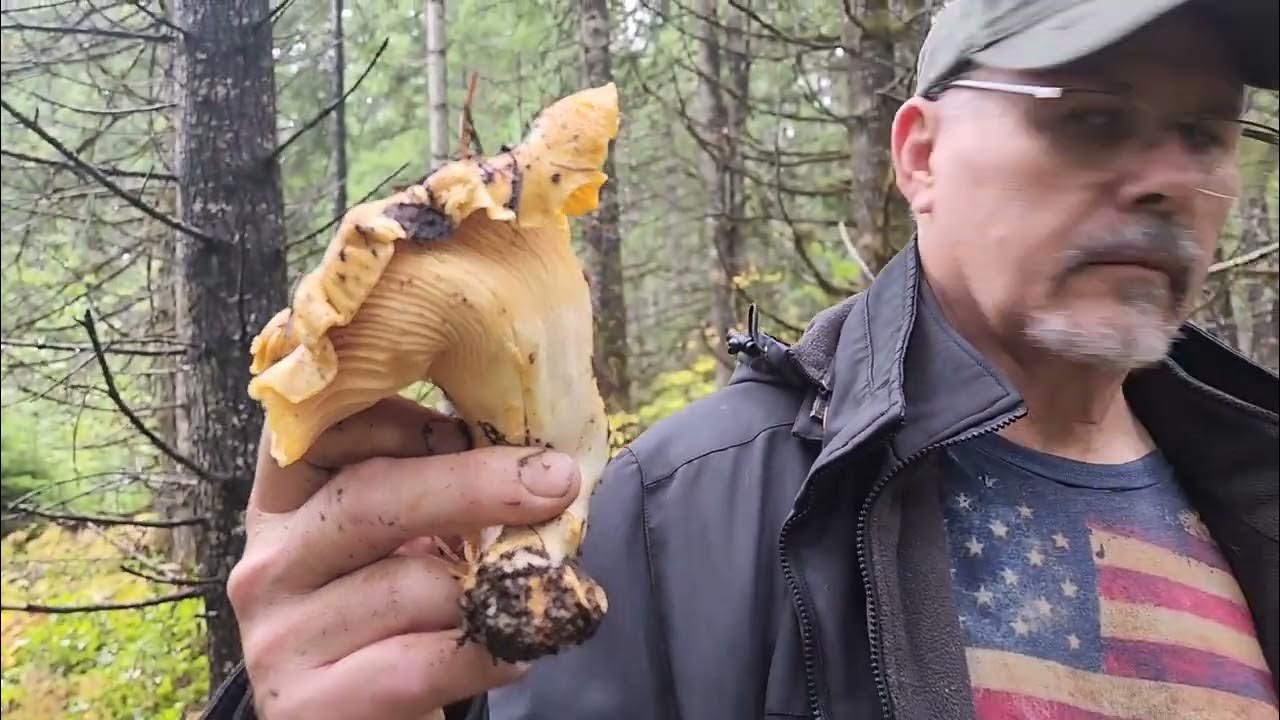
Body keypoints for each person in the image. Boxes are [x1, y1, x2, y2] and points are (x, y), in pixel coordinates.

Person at [203, 0, 1280, 717]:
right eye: (1091, 119)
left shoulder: (1253, 490)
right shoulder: (682, 512)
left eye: (1203, 134)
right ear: (920, 157)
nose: (1163, 179)